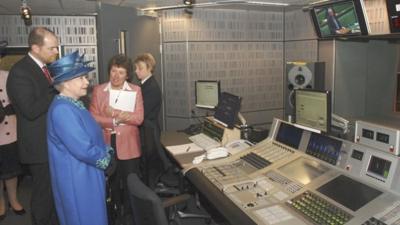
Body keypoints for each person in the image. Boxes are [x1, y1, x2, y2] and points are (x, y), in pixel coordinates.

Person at [47, 51, 113, 225]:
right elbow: (83, 148)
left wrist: (106, 149)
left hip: (86, 173)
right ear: (66, 83)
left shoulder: (75, 104)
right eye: (82, 78)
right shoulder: (63, 110)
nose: (87, 81)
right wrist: (106, 157)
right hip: (77, 180)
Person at [6, 27, 59, 225]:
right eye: (52, 48)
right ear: (36, 48)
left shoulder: (45, 68)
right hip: (38, 147)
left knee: (54, 194)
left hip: (51, 142)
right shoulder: (20, 71)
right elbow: (30, 110)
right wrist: (58, 89)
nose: (56, 51)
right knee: (43, 197)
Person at [90, 54, 144, 220]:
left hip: (129, 146)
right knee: (110, 187)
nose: (116, 76)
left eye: (121, 72)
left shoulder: (135, 90)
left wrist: (115, 113)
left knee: (131, 186)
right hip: (106, 145)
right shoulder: (99, 91)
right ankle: (113, 217)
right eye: (113, 71)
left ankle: (129, 217)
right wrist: (114, 120)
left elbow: (139, 118)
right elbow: (93, 118)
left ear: (127, 75)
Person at [0, 40, 25, 221]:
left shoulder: (7, 76)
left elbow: (19, 101)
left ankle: (14, 200)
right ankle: (0, 203)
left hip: (9, 130)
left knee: (11, 170)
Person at [134, 53, 162, 188]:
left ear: (149, 68)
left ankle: (149, 197)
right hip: (145, 131)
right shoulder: (144, 85)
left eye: (140, 68)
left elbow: (141, 114)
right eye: (136, 68)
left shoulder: (152, 88)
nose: (136, 71)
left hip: (148, 132)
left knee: (148, 167)